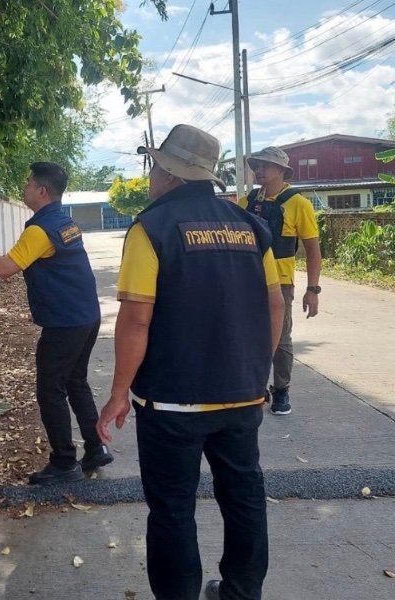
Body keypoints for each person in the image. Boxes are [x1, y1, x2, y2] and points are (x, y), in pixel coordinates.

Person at [96, 124, 285, 600]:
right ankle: (242, 592)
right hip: (242, 396)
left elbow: (136, 319)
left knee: (173, 509)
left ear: (169, 174)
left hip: (171, 402)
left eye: (154, 167)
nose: (151, 176)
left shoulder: (151, 228)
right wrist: (255, 371)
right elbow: (275, 303)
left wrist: (118, 394)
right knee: (244, 497)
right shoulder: (249, 226)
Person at [0, 162, 113, 485]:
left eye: (29, 183)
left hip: (65, 322)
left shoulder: (40, 229)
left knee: (50, 390)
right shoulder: (63, 222)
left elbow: (5, 269)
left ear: (42, 191)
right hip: (86, 316)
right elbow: (20, 262)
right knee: (75, 381)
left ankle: (64, 462)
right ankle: (95, 447)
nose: (24, 188)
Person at [239, 146, 321, 415]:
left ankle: (282, 389)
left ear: (283, 170)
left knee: (281, 336)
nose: (259, 170)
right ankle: (252, 386)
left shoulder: (298, 203)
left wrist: (313, 289)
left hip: (280, 281)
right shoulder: (246, 202)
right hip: (247, 279)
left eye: (265, 165)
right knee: (246, 333)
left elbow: (313, 249)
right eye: (256, 166)